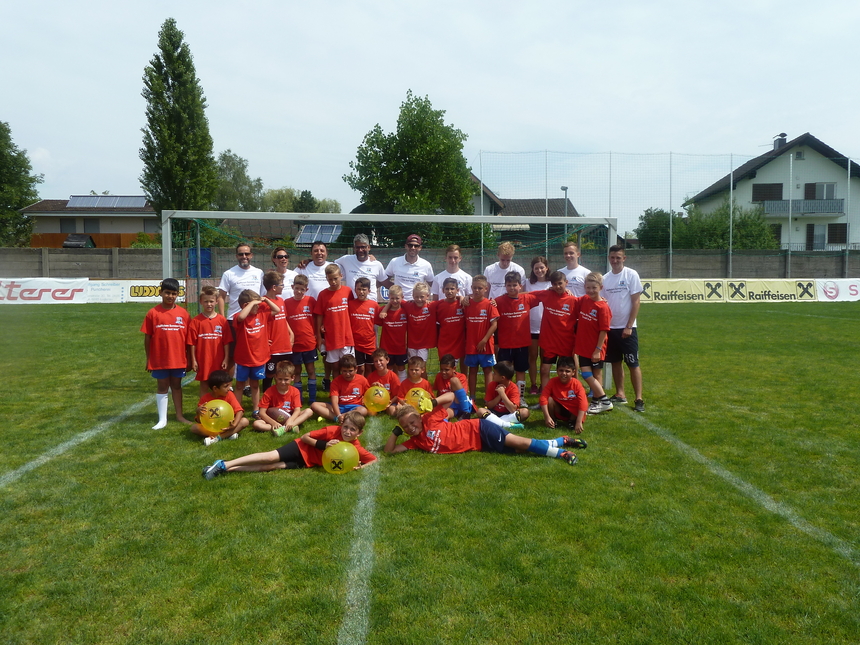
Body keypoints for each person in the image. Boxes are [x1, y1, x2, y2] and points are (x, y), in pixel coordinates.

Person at [384, 390, 583, 466]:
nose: (410, 428)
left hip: (478, 429)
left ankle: (561, 453)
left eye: (412, 423)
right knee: (519, 449)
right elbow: (390, 451)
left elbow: (451, 396)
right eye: (406, 427)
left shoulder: (429, 418)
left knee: (519, 441)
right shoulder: (415, 442)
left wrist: (432, 401)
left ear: (419, 418)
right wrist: (396, 431)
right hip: (480, 444)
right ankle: (561, 440)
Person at [202, 409, 376, 479]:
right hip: (300, 447)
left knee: (270, 467)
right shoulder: (332, 431)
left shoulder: (356, 448)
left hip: (307, 463)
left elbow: (374, 460)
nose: (347, 432)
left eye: (352, 430)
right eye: (345, 427)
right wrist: (324, 445)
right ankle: (223, 463)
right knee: (269, 457)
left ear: (359, 433)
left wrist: (360, 467)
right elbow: (307, 436)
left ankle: (226, 470)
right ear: (341, 425)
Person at [141, 278, 191, 429]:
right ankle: (162, 419)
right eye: (167, 293)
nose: (170, 296)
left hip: (178, 358)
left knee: (176, 385)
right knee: (162, 386)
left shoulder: (184, 314)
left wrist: (188, 358)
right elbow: (147, 338)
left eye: (174, 293)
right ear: (161, 292)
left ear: (178, 295)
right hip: (159, 359)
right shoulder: (153, 313)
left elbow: (189, 339)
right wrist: (149, 359)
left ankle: (179, 415)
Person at [603, 245, 645, 412]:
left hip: (627, 329)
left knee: (633, 363)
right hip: (610, 328)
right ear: (609, 258)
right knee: (615, 362)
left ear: (624, 258)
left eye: (618, 258)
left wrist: (629, 325)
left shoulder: (631, 274)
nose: (615, 261)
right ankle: (620, 394)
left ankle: (639, 399)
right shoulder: (605, 278)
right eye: (612, 257)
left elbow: (636, 301)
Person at [233, 289, 280, 416]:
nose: (258, 307)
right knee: (239, 386)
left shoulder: (262, 314)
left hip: (259, 358)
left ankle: (256, 410)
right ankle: (237, 410)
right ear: (245, 305)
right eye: (255, 305)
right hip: (243, 358)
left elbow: (277, 310)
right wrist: (251, 303)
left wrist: (266, 300)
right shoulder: (238, 317)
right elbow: (242, 316)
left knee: (255, 385)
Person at [493, 271, 539, 399]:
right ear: (505, 286)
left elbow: (544, 295)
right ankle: (502, 398)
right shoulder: (498, 301)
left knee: (520, 371)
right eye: (509, 285)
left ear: (520, 286)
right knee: (503, 372)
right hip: (505, 343)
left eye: (515, 285)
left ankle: (520, 397)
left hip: (522, 344)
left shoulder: (527, 299)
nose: (512, 288)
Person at [531, 271, 578, 392]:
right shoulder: (547, 294)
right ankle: (545, 397)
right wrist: (510, 293)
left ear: (566, 283)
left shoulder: (573, 300)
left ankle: (569, 394)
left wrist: (601, 300)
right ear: (551, 284)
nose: (558, 286)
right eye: (555, 284)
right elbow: (527, 295)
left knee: (567, 371)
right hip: (549, 343)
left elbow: (589, 305)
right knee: (544, 370)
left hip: (565, 343)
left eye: (560, 283)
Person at [574, 272, 613, 415]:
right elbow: (571, 301)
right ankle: (598, 402)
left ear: (600, 287)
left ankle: (603, 401)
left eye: (594, 288)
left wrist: (597, 349)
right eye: (588, 287)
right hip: (583, 346)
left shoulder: (602, 307)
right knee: (587, 374)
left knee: (595, 374)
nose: (590, 291)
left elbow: (604, 330)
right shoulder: (584, 299)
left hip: (596, 348)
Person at [188, 285, 232, 398]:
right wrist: (193, 360)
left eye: (211, 301)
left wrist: (226, 358)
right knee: (204, 384)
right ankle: (203, 408)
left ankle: (222, 409)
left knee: (221, 385)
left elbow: (226, 342)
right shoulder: (196, 321)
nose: (209, 304)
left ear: (217, 301)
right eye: (206, 301)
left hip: (218, 359)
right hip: (203, 359)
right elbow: (192, 343)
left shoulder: (222, 321)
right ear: (201, 302)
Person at [314, 264, 355, 385]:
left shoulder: (348, 291)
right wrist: (318, 336)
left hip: (346, 337)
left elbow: (352, 311)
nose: (333, 281)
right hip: (332, 337)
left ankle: (349, 391)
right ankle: (337, 390)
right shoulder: (323, 294)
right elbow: (319, 316)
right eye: (330, 279)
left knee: (348, 365)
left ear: (341, 276)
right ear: (326, 278)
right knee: (335, 367)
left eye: (335, 278)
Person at [282, 274, 318, 404]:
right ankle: (299, 399)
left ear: (306, 290)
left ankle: (312, 399)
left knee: (310, 370)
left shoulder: (311, 301)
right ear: (292, 287)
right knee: (296, 371)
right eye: (297, 288)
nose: (299, 291)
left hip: (309, 343)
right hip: (294, 344)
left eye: (302, 289)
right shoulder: (287, 303)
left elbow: (317, 319)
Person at [217, 243, 265, 337]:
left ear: (251, 255)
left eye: (247, 254)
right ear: (236, 256)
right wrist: (223, 318)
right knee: (235, 350)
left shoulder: (259, 273)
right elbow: (221, 297)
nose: (244, 257)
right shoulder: (229, 274)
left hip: (254, 319)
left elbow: (262, 297)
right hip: (234, 319)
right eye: (241, 254)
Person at [253, 361, 313, 434]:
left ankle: (285, 428)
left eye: (286, 379)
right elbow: (262, 413)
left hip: (289, 416)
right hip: (273, 417)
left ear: (292, 378)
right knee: (257, 424)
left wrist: (290, 420)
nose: (283, 382)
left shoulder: (295, 391)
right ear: (275, 377)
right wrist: (273, 423)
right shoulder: (269, 392)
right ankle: (289, 427)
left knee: (309, 411)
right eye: (280, 379)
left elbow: (297, 410)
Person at [190, 369, 249, 445]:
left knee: (245, 421)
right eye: (226, 386)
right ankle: (228, 435)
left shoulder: (229, 394)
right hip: (211, 428)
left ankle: (218, 438)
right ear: (215, 388)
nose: (229, 388)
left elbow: (239, 411)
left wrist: (234, 425)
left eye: (229, 385)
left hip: (228, 426)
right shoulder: (205, 399)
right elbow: (200, 421)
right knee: (194, 428)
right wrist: (198, 412)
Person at [463, 275, 498, 397]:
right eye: (474, 288)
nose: (476, 290)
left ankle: (488, 397)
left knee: (488, 370)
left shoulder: (490, 304)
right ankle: (472, 397)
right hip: (471, 345)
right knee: (472, 370)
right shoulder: (467, 304)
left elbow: (494, 325)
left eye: (480, 288)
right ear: (471, 288)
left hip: (486, 345)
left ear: (486, 289)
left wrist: (484, 340)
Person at [261, 271, 294, 392]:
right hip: (273, 348)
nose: (283, 287)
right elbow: (261, 324)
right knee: (270, 374)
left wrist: (291, 333)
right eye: (281, 285)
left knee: (286, 373)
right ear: (274, 287)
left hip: (285, 345)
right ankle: (266, 399)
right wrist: (263, 339)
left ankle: (285, 398)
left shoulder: (281, 300)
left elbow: (283, 319)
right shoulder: (264, 304)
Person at [310, 354, 370, 421]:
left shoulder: (362, 380)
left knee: (363, 410)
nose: (347, 374)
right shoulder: (336, 381)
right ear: (340, 370)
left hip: (355, 407)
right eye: (344, 371)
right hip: (339, 406)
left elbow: (369, 394)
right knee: (314, 405)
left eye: (350, 371)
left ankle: (339, 417)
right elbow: (334, 400)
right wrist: (338, 414)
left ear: (356, 369)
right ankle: (337, 418)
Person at [539, 357, 589, 434]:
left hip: (573, 411)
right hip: (559, 408)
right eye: (561, 370)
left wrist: (579, 422)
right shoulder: (552, 381)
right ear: (557, 371)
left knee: (580, 402)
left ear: (573, 372)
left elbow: (584, 403)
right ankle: (552, 421)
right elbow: (543, 398)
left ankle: (573, 422)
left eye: (567, 371)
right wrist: (547, 417)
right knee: (549, 399)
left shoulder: (577, 384)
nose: (564, 374)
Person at [524, 256, 551, 395]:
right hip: (531, 325)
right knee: (533, 356)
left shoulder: (552, 283)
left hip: (547, 327)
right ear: (532, 269)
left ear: (546, 268)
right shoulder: (528, 283)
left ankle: (543, 384)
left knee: (545, 358)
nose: (539, 270)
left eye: (541, 267)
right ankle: (534, 384)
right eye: (536, 268)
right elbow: (519, 294)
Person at [381, 233, 434, 301]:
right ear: (406, 246)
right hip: (399, 303)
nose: (413, 248)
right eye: (410, 245)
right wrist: (395, 290)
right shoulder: (395, 261)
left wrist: (426, 297)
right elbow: (383, 279)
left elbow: (433, 284)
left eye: (416, 246)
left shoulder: (426, 265)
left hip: (416, 303)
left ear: (420, 248)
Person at [335, 234, 387, 300]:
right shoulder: (346, 259)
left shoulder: (376, 264)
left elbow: (384, 281)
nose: (360, 250)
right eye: (357, 247)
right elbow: (331, 266)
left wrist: (400, 289)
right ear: (354, 248)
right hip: (352, 304)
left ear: (368, 247)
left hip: (370, 305)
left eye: (363, 247)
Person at [376, 284, 408, 381]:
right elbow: (377, 323)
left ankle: (402, 387)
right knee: (388, 368)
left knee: (401, 368)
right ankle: (389, 387)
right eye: (392, 298)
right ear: (388, 297)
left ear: (402, 297)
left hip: (401, 347)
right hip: (387, 347)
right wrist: (386, 308)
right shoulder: (383, 311)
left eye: (397, 298)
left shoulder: (405, 310)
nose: (394, 301)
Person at [348, 276, 379, 374]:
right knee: (360, 369)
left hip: (369, 343)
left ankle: (369, 387)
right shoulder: (350, 304)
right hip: (356, 343)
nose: (361, 292)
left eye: (364, 289)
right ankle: (360, 386)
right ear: (355, 290)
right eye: (359, 289)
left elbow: (377, 323)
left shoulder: (374, 305)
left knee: (371, 368)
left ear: (369, 291)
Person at [402, 282, 437, 365]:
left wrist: (460, 297)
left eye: (422, 297)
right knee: (412, 366)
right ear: (413, 296)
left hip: (424, 344)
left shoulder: (432, 306)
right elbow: (396, 299)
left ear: (428, 296)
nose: (419, 299)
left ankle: (423, 379)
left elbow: (446, 301)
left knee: (421, 367)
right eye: (416, 297)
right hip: (411, 343)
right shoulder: (408, 305)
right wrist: (385, 309)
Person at [435, 277, 466, 370]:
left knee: (463, 361)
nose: (450, 291)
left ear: (458, 290)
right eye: (447, 289)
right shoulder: (438, 305)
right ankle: (445, 383)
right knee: (445, 365)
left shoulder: (463, 303)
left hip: (460, 339)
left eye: (452, 289)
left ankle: (464, 380)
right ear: (442, 290)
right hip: (445, 340)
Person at [433, 353, 473, 419]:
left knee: (454, 380)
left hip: (460, 403)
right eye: (441, 369)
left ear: (454, 368)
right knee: (443, 416)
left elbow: (463, 394)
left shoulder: (461, 377)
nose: (443, 372)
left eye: (446, 370)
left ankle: (466, 413)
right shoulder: (438, 376)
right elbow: (439, 392)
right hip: (449, 405)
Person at [367, 348, 401, 416]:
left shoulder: (392, 376)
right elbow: (367, 393)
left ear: (387, 360)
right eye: (376, 361)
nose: (378, 363)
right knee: (370, 413)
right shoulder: (371, 376)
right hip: (375, 402)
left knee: (392, 412)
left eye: (380, 360)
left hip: (389, 401)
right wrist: (372, 386)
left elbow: (397, 394)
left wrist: (390, 402)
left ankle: (387, 410)